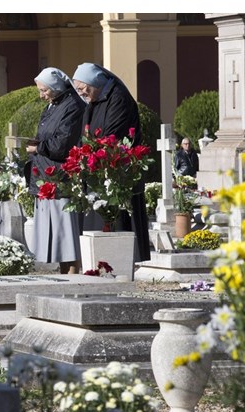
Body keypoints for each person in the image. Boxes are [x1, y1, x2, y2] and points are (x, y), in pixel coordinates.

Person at [72, 62, 151, 262]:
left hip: (118, 172)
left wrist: (91, 150)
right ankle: (98, 263)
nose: (81, 93)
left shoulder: (118, 98)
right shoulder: (95, 100)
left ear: (94, 82)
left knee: (118, 219)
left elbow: (112, 136)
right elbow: (86, 134)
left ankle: (117, 262)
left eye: (82, 88)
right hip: (98, 171)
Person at [25, 67, 85, 274]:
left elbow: (62, 143)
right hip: (46, 173)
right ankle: (64, 270)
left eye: (44, 90)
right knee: (57, 232)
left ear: (56, 87)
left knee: (65, 231)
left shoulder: (73, 106)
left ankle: (72, 273)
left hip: (60, 175)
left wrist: (38, 147)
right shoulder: (53, 105)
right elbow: (47, 135)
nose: (41, 95)